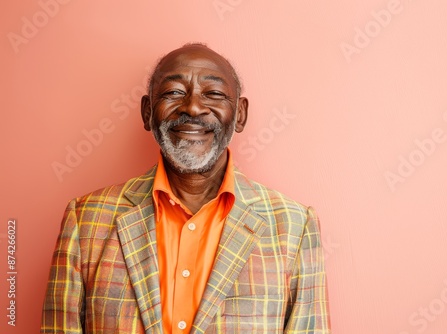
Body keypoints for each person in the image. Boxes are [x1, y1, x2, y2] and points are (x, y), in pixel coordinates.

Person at [41, 43, 331, 333]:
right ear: (147, 112)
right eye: (173, 93)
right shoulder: (86, 220)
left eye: (214, 94)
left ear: (240, 114)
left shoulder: (294, 226)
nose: (192, 107)